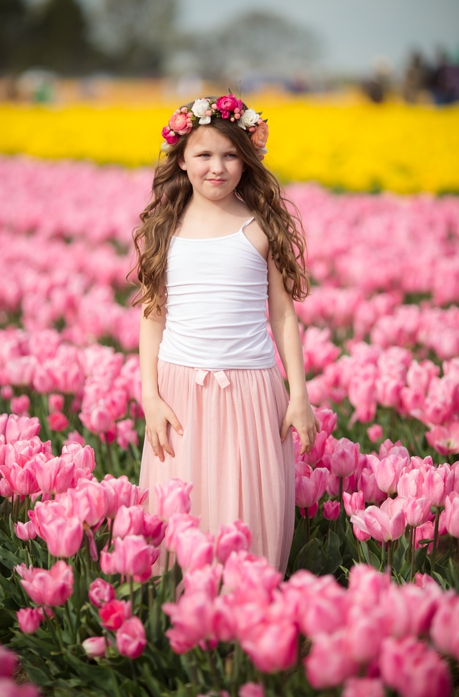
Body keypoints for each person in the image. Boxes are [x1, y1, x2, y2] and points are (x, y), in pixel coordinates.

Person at [131, 94, 319, 574]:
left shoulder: (259, 226)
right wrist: (149, 396)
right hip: (179, 391)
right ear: (181, 159)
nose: (217, 167)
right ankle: (184, 618)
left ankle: (247, 609)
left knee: (246, 504)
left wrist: (298, 394)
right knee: (183, 506)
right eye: (204, 155)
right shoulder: (166, 225)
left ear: (248, 158)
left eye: (230, 155)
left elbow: (282, 315)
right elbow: (153, 315)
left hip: (252, 388)